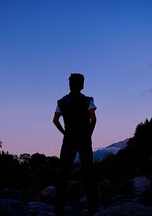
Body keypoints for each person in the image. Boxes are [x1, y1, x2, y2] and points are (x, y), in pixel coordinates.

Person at [53, 73, 99, 216]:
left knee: (63, 174)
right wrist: (89, 134)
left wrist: (64, 133)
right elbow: (93, 119)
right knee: (88, 173)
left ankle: (59, 210)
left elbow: (55, 120)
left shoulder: (61, 101)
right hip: (84, 140)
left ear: (70, 84)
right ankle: (93, 209)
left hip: (68, 140)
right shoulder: (88, 100)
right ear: (82, 85)